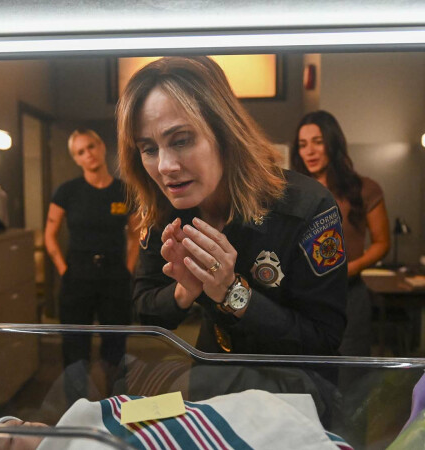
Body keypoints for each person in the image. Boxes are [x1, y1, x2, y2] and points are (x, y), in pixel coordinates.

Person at [116, 56, 347, 356]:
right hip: (214, 373)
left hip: (292, 380)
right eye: (149, 149)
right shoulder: (163, 209)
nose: (164, 166)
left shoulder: (309, 207)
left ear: (225, 133)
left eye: (181, 141)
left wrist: (232, 292)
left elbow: (324, 339)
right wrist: (184, 290)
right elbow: (146, 312)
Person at [291, 111, 391, 356]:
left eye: (318, 142)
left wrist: (350, 269)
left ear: (333, 143)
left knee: (350, 371)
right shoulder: (292, 190)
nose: (310, 151)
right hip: (301, 297)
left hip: (348, 295)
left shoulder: (364, 189)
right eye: (303, 145)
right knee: (304, 370)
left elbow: (382, 243)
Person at [44, 129, 138, 376]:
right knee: (75, 349)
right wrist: (64, 271)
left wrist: (128, 269)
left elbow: (136, 235)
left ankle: (114, 398)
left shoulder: (124, 191)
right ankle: (78, 400)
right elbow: (49, 236)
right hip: (77, 276)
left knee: (115, 349)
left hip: (114, 277)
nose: (88, 154)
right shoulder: (67, 192)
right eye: (80, 152)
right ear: (76, 159)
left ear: (102, 146)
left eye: (91, 147)